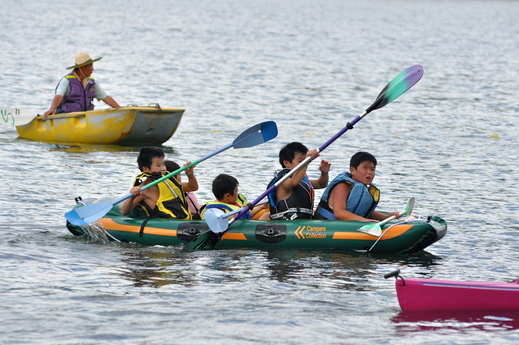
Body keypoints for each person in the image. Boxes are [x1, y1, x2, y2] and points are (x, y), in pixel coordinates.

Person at [314, 151, 399, 222]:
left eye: (372, 169)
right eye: (365, 168)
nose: (369, 172)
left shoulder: (363, 188)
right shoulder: (343, 185)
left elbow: (363, 210)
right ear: (353, 170)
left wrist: (386, 217)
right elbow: (339, 212)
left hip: (344, 224)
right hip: (325, 224)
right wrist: (364, 220)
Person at [121, 147, 198, 220]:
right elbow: (124, 212)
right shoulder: (144, 189)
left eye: (163, 164)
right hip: (166, 225)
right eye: (158, 165)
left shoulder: (169, 182)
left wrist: (190, 175)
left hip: (182, 220)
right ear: (146, 169)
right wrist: (132, 197)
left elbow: (193, 187)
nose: (163, 168)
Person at [264, 142, 331, 220]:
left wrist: (324, 173)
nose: (304, 163)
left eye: (305, 160)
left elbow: (321, 184)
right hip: (286, 223)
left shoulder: (303, 180)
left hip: (304, 221)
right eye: (300, 161)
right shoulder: (283, 180)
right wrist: (306, 161)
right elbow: (293, 182)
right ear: (286, 163)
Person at [44, 52, 120, 118]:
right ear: (81, 68)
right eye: (90, 66)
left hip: (86, 118)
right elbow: (58, 96)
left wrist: (120, 109)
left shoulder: (91, 82)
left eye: (92, 66)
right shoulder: (67, 81)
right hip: (68, 117)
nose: (92, 69)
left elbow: (105, 97)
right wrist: (52, 109)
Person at [200, 174, 267, 220]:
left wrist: (261, 206)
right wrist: (242, 212)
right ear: (227, 196)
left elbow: (246, 215)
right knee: (267, 216)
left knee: (267, 214)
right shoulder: (217, 210)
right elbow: (241, 217)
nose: (237, 194)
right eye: (236, 191)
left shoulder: (237, 201)